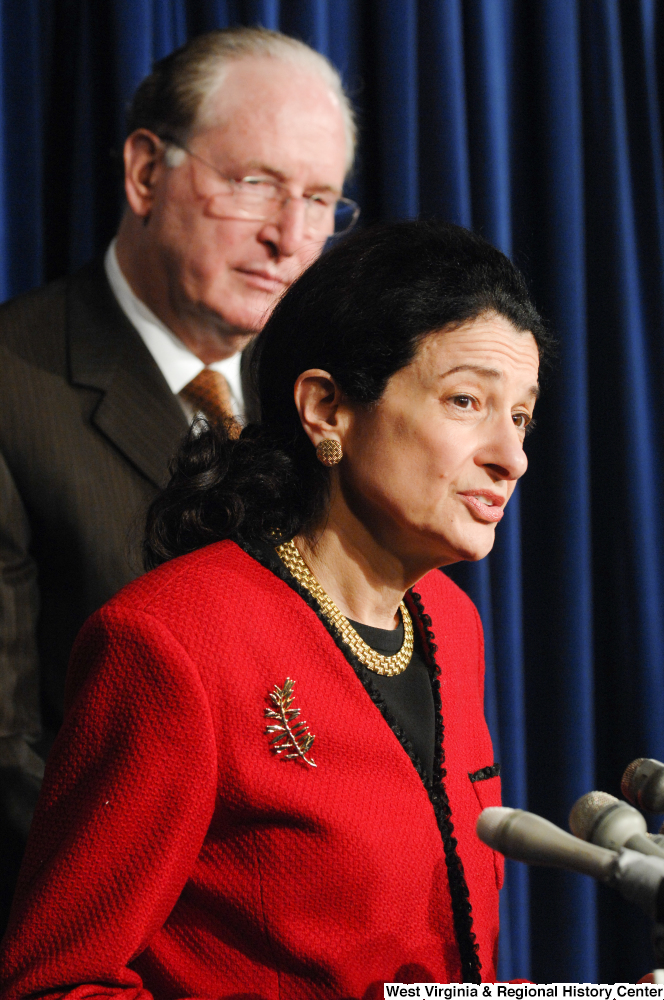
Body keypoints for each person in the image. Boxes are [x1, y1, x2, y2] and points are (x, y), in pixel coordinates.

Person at [0, 221, 550, 995]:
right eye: (468, 401)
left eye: (522, 415)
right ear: (326, 407)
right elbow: (57, 984)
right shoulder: (171, 642)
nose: (512, 456)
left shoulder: (452, 625)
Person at [0, 25, 355, 927]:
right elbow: (8, 751)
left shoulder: (320, 399)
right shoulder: (12, 385)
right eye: (256, 186)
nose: (290, 238)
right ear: (146, 173)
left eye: (320, 200)